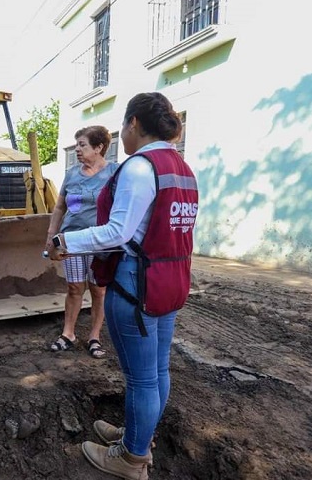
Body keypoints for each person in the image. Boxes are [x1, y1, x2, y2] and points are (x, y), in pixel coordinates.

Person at [52, 93, 198, 480]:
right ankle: (139, 436)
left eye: (122, 126)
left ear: (133, 124)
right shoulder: (181, 167)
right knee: (157, 370)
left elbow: (118, 232)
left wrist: (64, 243)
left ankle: (132, 459)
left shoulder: (139, 167)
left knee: (141, 378)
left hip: (137, 282)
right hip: (170, 278)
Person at [45, 126, 119, 358]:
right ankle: (69, 334)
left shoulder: (114, 173)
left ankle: (94, 336)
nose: (77, 149)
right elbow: (60, 207)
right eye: (76, 144)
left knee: (98, 290)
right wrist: (51, 236)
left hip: (100, 241)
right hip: (72, 241)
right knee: (74, 288)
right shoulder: (72, 173)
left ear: (99, 148)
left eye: (82, 145)